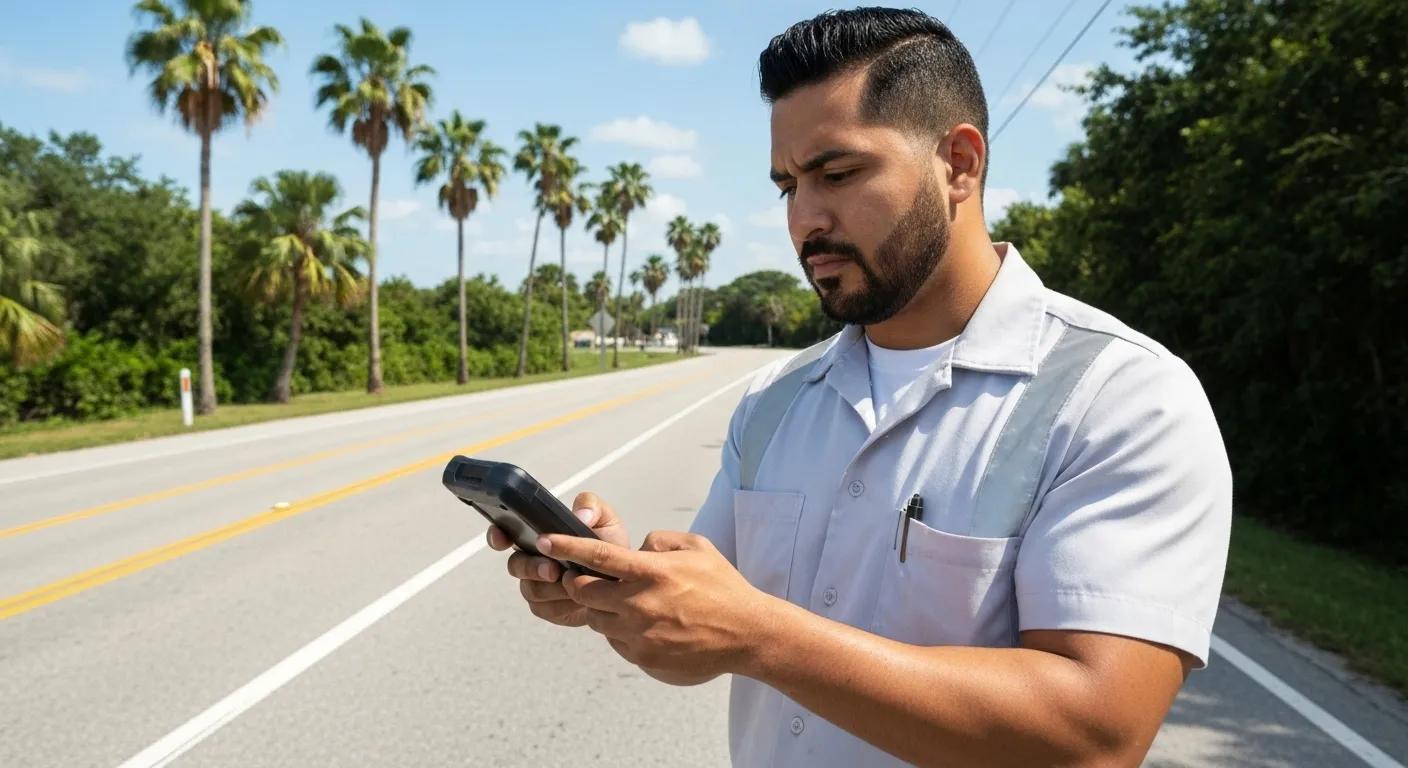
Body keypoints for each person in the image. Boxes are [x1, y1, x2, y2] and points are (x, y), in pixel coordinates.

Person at [488, 7, 1231, 766]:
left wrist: (761, 633)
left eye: (838, 174)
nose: (804, 221)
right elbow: (694, 645)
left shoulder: (1120, 399)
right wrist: (619, 595)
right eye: (787, 187)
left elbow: (1095, 736)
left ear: (960, 164)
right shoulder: (775, 402)